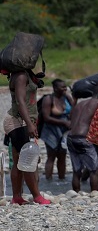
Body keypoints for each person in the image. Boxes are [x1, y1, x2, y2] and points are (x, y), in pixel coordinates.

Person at [2, 70, 51, 205]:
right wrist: (29, 124)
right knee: (27, 159)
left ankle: (16, 197)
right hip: (17, 121)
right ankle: (37, 196)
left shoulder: (25, 73)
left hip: (21, 121)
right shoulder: (20, 76)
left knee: (19, 159)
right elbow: (20, 100)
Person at [67, 87, 98, 192]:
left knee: (76, 170)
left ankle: (76, 192)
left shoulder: (80, 104)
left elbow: (70, 117)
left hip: (71, 137)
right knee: (94, 170)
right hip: (84, 138)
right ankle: (94, 193)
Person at [39, 79, 73, 180]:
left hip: (64, 131)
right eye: (62, 87)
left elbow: (75, 108)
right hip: (51, 131)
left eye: (65, 87)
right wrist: (63, 122)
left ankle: (62, 179)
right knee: (51, 156)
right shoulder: (48, 99)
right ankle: (48, 180)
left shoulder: (66, 97)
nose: (64, 89)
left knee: (62, 156)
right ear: (55, 88)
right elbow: (46, 117)